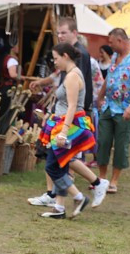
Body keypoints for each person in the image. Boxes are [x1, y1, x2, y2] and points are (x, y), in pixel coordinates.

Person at [27, 17, 106, 207]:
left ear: (74, 33)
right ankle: (57, 199)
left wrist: (74, 120)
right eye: (58, 33)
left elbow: (79, 88)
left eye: (63, 32)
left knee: (62, 158)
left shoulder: (81, 57)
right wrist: (42, 82)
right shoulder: (65, 59)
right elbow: (59, 77)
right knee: (57, 157)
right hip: (61, 115)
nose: (60, 35)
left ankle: (81, 191)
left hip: (72, 116)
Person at [39, 42, 96, 219]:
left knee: (53, 166)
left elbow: (72, 107)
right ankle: (59, 207)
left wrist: (63, 132)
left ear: (65, 56)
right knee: (58, 164)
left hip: (68, 127)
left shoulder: (72, 76)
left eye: (56, 58)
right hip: (63, 125)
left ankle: (80, 196)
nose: (54, 62)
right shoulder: (70, 74)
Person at [96, 28, 130, 192]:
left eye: (111, 42)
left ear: (120, 40)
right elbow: (109, 77)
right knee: (103, 141)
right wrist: (100, 96)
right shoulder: (115, 57)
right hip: (108, 107)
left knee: (121, 145)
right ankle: (102, 178)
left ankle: (114, 181)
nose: (109, 46)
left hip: (125, 110)